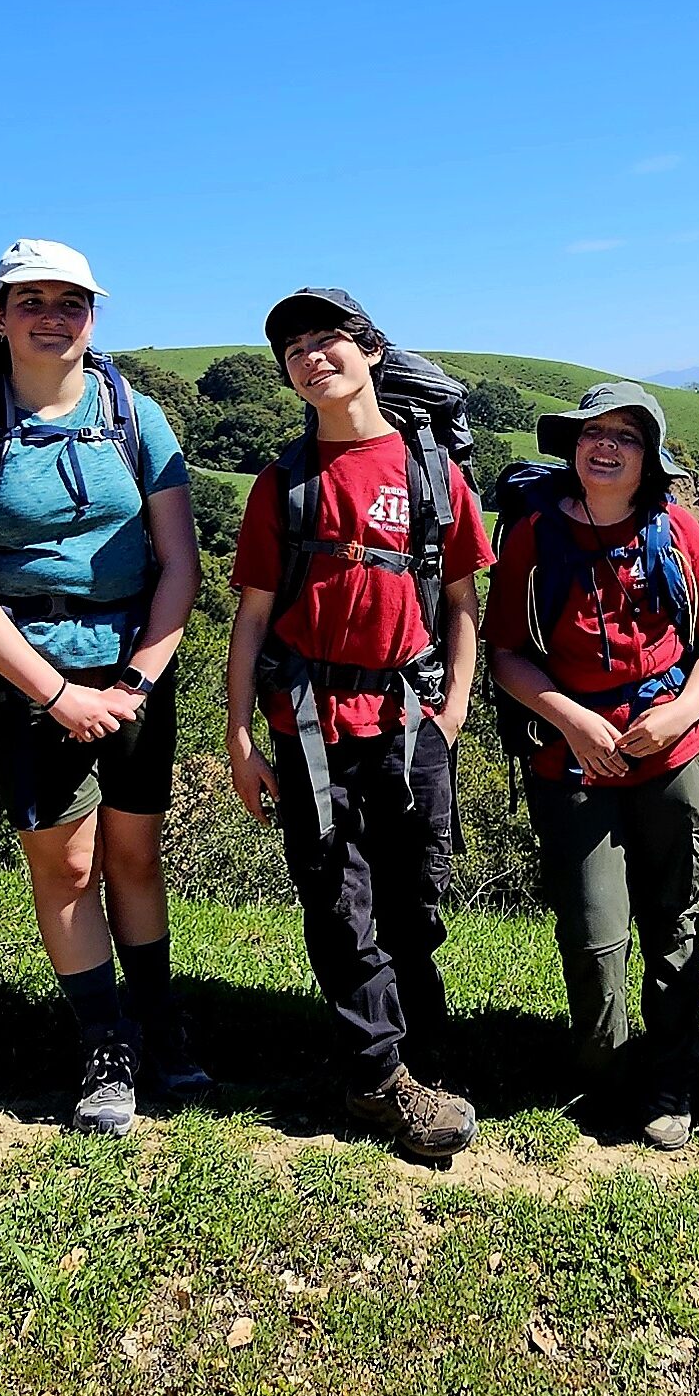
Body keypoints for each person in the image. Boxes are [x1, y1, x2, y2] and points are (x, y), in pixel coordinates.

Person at [0, 239, 204, 1138]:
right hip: (21, 670)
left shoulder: (132, 410)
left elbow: (181, 562)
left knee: (135, 856)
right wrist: (57, 695)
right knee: (68, 864)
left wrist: (139, 679)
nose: (50, 315)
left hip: (134, 664)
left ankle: (156, 1019)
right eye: (29, 299)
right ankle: (102, 1040)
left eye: (68, 300)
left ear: (92, 315)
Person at [225, 288, 494, 1163]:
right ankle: (380, 1080)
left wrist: (453, 707)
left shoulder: (430, 475)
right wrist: (238, 736)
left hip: (412, 720)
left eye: (327, 339)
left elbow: (460, 602)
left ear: (371, 351)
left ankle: (418, 1044)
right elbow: (254, 617)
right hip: (310, 726)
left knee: (415, 896)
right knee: (341, 902)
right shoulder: (284, 483)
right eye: (294, 349)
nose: (311, 357)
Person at [488, 383, 699, 1151]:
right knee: (593, 927)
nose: (606, 446)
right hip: (569, 757)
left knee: (674, 919)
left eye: (626, 437)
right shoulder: (535, 536)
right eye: (592, 432)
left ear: (650, 457)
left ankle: (672, 1079)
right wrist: (571, 721)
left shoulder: (673, 528)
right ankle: (603, 1068)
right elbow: (506, 654)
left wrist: (682, 712)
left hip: (671, 755)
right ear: (571, 447)